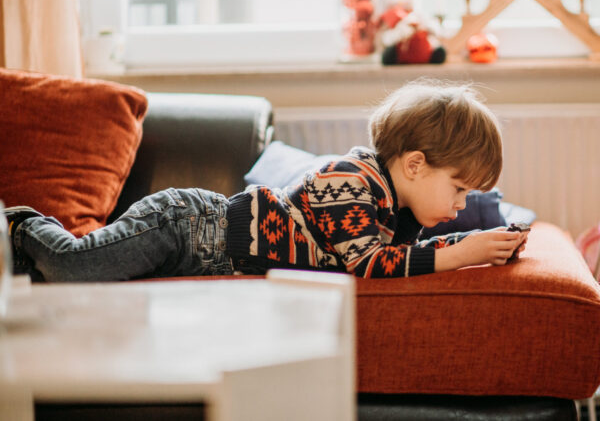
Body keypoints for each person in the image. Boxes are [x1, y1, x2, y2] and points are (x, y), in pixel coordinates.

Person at [6, 81, 527, 282]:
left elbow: (413, 255)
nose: (460, 205)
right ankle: (20, 223)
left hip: (201, 252)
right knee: (78, 265)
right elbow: (369, 263)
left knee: (70, 282)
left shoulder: (395, 210)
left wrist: (481, 245)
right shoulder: (350, 181)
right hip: (185, 226)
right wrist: (463, 251)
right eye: (459, 189)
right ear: (415, 164)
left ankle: (22, 262)